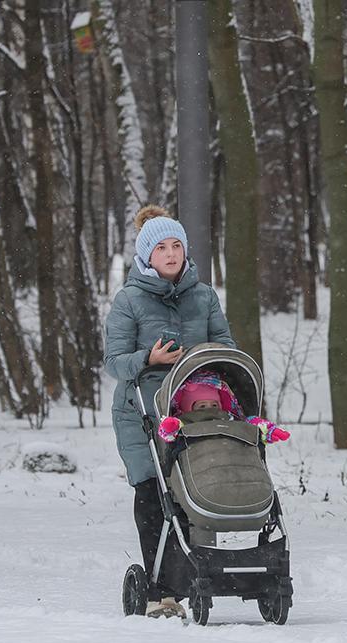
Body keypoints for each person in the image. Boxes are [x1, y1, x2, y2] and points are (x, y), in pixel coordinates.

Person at [103, 205, 236, 619]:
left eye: (177, 244)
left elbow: (225, 345)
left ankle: (201, 574)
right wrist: (150, 358)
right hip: (141, 414)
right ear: (147, 255)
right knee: (154, 495)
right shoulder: (129, 300)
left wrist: (207, 358)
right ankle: (160, 591)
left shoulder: (203, 295)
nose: (172, 252)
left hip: (195, 409)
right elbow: (114, 361)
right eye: (161, 247)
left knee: (195, 490)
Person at [156, 369, 290, 445]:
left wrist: (268, 430)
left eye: (215, 405)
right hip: (198, 460)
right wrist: (170, 426)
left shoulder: (229, 418)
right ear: (187, 408)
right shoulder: (184, 422)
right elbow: (168, 434)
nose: (210, 410)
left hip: (229, 459)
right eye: (202, 406)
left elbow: (250, 424)